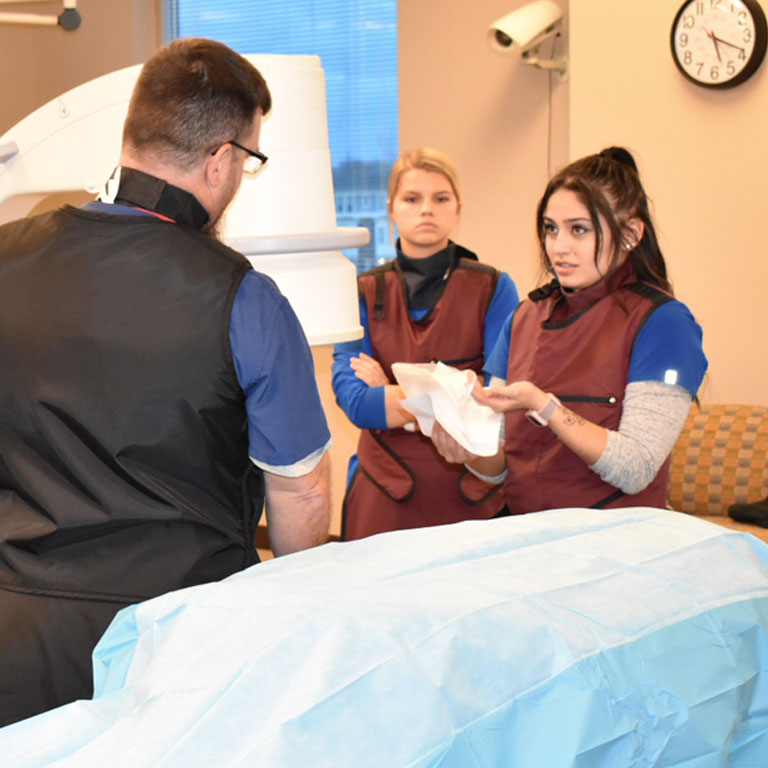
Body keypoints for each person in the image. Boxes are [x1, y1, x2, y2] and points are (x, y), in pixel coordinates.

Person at [0, 38, 332, 725]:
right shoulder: (245, 299)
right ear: (221, 161)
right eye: (250, 160)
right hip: (175, 646)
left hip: (18, 637)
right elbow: (302, 490)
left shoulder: (7, 258)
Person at [431, 147, 708, 515]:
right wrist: (466, 447)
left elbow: (636, 467)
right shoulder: (524, 318)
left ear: (630, 233)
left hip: (619, 546)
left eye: (579, 229)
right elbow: (499, 470)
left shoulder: (664, 323)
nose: (559, 247)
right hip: (530, 539)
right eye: (551, 229)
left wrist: (544, 406)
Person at [332, 148, 520, 540]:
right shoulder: (360, 292)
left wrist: (389, 389)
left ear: (457, 208)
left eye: (440, 199)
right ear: (392, 209)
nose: (426, 210)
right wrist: (449, 396)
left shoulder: (495, 288)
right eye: (412, 199)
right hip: (383, 496)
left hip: (472, 494)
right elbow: (355, 403)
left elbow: (497, 399)